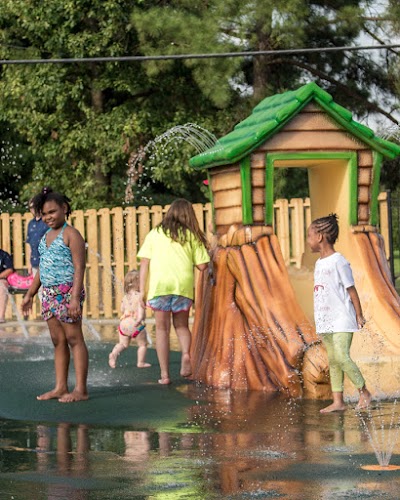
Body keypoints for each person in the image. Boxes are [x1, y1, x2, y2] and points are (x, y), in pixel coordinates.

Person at [21, 187, 89, 403]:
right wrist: (30, 293)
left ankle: (80, 389)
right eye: (44, 213)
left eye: (52, 212)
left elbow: (79, 268)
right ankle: (60, 387)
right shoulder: (45, 237)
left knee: (73, 338)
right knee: (57, 340)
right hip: (48, 293)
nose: (48, 217)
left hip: (68, 292)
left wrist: (75, 298)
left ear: (64, 208)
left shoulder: (71, 234)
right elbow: (43, 267)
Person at [137, 198, 210, 385]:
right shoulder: (191, 235)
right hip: (182, 287)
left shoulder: (155, 233)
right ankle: (186, 354)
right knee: (181, 326)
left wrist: (141, 291)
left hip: (159, 287)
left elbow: (144, 263)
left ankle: (164, 375)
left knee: (162, 330)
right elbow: (203, 266)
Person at [307, 213, 371, 413]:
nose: (308, 240)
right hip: (325, 319)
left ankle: (365, 392)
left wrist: (358, 315)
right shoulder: (319, 263)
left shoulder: (338, 261)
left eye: (309, 236)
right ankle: (338, 401)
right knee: (333, 359)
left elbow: (351, 290)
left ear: (319, 237)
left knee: (342, 356)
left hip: (342, 318)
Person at [108, 269, 151, 369]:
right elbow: (140, 310)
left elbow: (122, 309)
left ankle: (113, 354)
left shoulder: (125, 297)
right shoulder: (140, 296)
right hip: (135, 324)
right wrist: (139, 320)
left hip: (123, 324)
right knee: (142, 344)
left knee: (123, 344)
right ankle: (140, 362)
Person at [26, 197, 48, 277]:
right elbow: (29, 245)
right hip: (34, 261)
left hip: (47, 261)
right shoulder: (31, 224)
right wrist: (29, 264)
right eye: (31, 207)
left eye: (34, 206)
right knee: (37, 288)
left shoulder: (47, 221)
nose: (32, 209)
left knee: (48, 287)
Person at [0, 248, 14, 323]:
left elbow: (9, 269)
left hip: (1, 279)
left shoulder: (4, 255)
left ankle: (0, 316)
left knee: (2, 287)